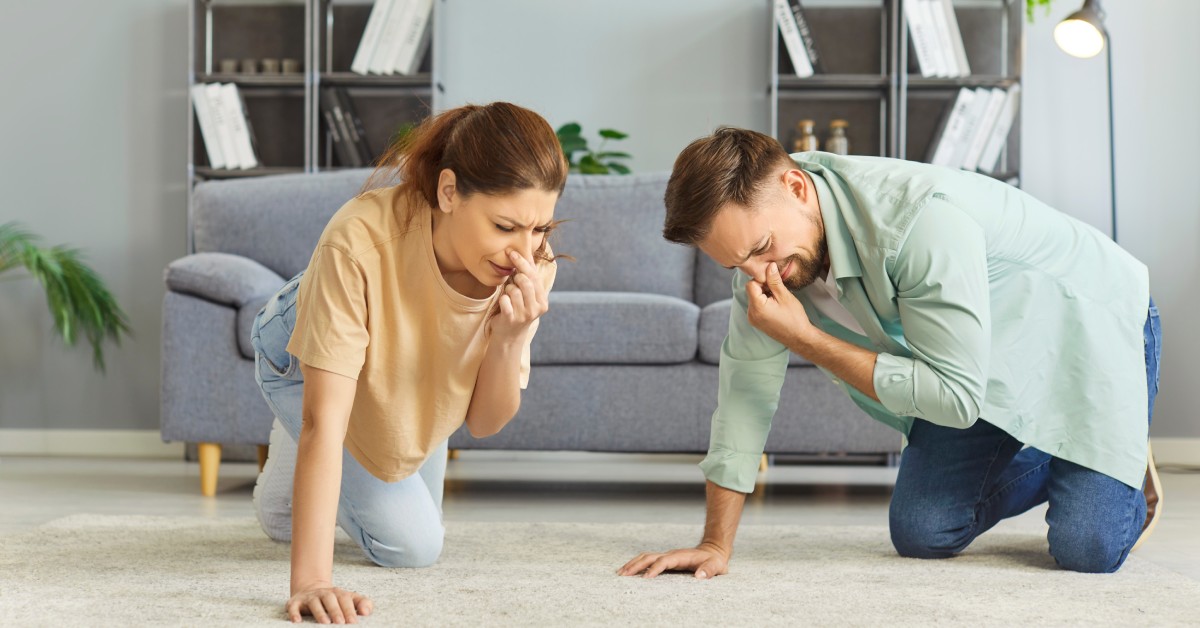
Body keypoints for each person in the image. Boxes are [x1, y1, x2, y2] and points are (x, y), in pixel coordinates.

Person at [619, 127, 1162, 579]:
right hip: (974, 367)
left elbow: (951, 397)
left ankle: (1110, 452)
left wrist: (805, 337)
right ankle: (1062, 448)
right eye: (736, 264)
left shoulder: (919, 223)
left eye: (762, 249)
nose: (759, 275)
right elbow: (745, 396)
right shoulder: (765, 256)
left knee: (1086, 548)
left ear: (796, 186)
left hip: (1087, 330)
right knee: (923, 532)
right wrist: (715, 544)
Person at [250, 102, 567, 623]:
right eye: (505, 226)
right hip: (299, 344)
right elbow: (324, 423)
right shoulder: (359, 239)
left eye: (539, 230)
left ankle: (301, 449)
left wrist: (508, 339)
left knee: (421, 526)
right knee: (414, 547)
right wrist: (310, 582)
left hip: (409, 364)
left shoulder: (533, 265)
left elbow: (484, 423)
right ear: (448, 192)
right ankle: (300, 413)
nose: (523, 254)